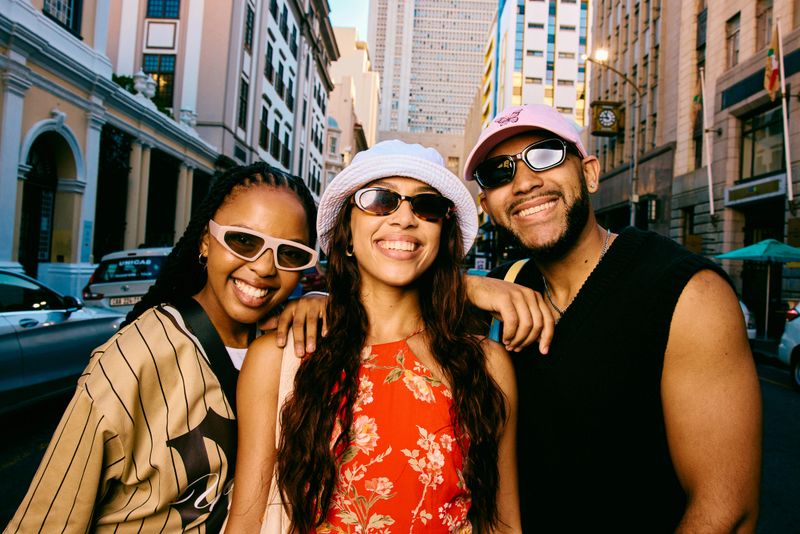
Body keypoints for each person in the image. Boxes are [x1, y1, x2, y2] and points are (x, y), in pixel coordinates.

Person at [461, 103, 763, 532]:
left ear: (590, 173)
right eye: (498, 172)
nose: (524, 182)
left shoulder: (687, 294)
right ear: (487, 203)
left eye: (545, 154)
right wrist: (467, 285)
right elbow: (387, 318)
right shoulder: (501, 290)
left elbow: (727, 511)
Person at [228, 140, 521, 533]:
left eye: (426, 206)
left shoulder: (487, 364)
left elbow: (502, 524)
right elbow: (247, 520)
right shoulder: (279, 357)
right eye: (379, 199)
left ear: (442, 235)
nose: (404, 218)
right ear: (346, 232)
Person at [7, 163, 318, 533]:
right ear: (206, 240)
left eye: (291, 254)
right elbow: (49, 519)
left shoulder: (291, 344)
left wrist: (323, 299)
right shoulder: (133, 358)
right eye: (244, 241)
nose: (265, 267)